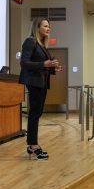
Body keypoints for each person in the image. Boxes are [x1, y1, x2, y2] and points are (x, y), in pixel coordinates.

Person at [19, 18, 62, 160]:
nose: (48, 28)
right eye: (45, 26)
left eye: (49, 26)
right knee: (34, 113)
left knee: (37, 113)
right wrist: (44, 64)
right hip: (34, 82)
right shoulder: (30, 41)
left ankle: (32, 144)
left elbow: (44, 65)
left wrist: (53, 67)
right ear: (37, 27)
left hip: (41, 82)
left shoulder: (42, 45)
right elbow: (24, 63)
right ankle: (32, 145)